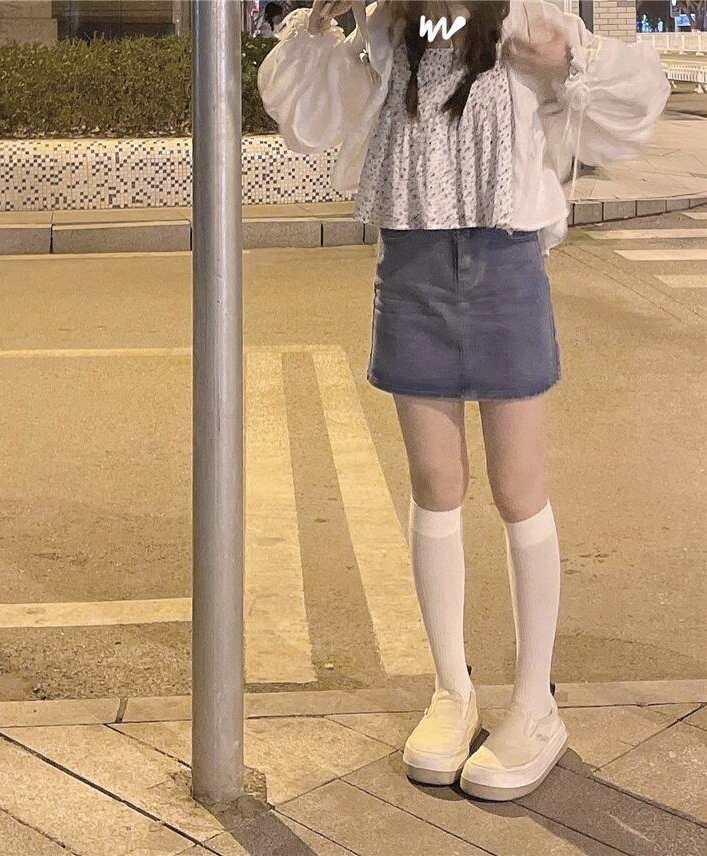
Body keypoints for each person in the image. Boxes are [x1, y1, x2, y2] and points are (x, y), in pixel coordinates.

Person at [258, 0, 669, 801]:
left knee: (518, 489)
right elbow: (310, 121)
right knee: (435, 485)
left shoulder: (522, 14)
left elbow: (630, 96)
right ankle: (452, 690)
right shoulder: (389, 23)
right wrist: (318, 24)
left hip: (504, 258)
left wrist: (563, 63)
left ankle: (534, 703)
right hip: (410, 261)